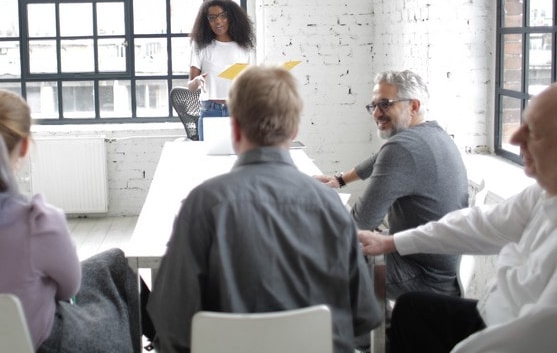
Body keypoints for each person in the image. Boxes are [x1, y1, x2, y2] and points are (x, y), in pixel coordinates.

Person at [358, 81, 557, 352]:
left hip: (514, 331)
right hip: (495, 312)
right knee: (411, 309)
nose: (514, 139)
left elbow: (533, 340)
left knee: (357, 276)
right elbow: (482, 223)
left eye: (534, 131)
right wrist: (392, 242)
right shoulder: (549, 190)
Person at [148, 65, 382, 353]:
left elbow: (170, 322)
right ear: (295, 130)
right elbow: (362, 319)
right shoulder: (329, 205)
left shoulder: (203, 204)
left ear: (234, 128)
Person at [0, 90, 142, 352]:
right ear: (23, 147)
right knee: (120, 279)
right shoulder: (38, 222)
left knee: (116, 261)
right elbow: (69, 290)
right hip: (41, 344)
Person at [314, 70, 468, 300]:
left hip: (421, 275)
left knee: (313, 262)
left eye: (385, 104)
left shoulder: (401, 148)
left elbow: (359, 224)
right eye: (373, 105)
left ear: (414, 106)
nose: (376, 113)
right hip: (439, 267)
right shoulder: (433, 133)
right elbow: (378, 159)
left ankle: (318, 331)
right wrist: (340, 179)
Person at [187, 0, 255, 140]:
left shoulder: (244, 47)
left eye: (223, 16)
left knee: (238, 157)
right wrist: (197, 80)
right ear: (207, 22)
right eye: (212, 18)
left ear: (232, 18)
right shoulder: (200, 46)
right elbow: (191, 86)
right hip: (210, 110)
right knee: (209, 158)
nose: (218, 21)